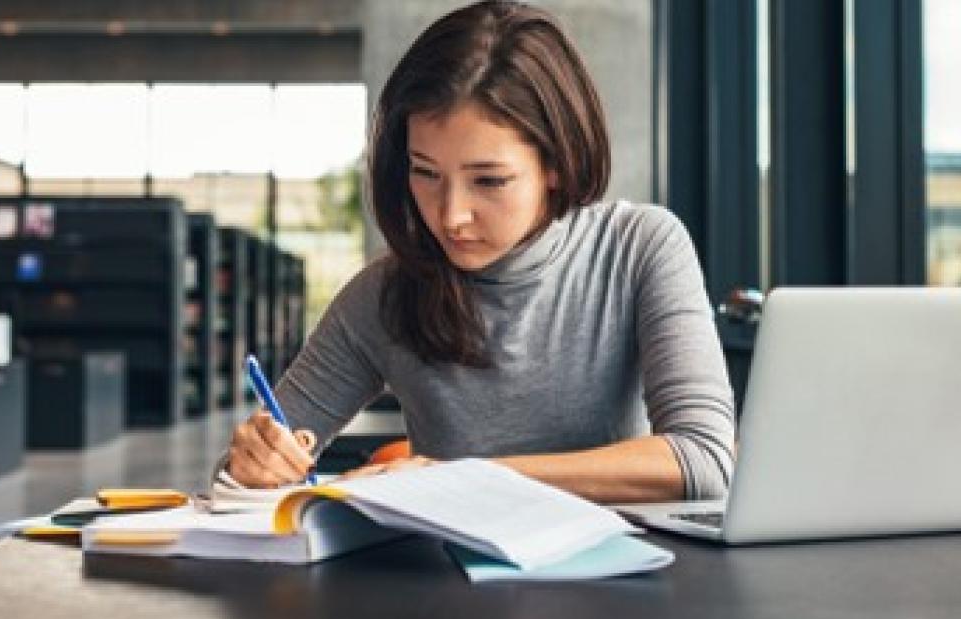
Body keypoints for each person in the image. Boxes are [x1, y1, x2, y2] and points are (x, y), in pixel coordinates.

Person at [223, 0, 736, 504]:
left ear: (557, 162)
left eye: (488, 180)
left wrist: (464, 478)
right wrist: (252, 467)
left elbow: (704, 459)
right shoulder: (382, 295)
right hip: (448, 583)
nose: (451, 216)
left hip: (620, 577)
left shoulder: (639, 247)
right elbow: (233, 488)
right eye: (425, 173)